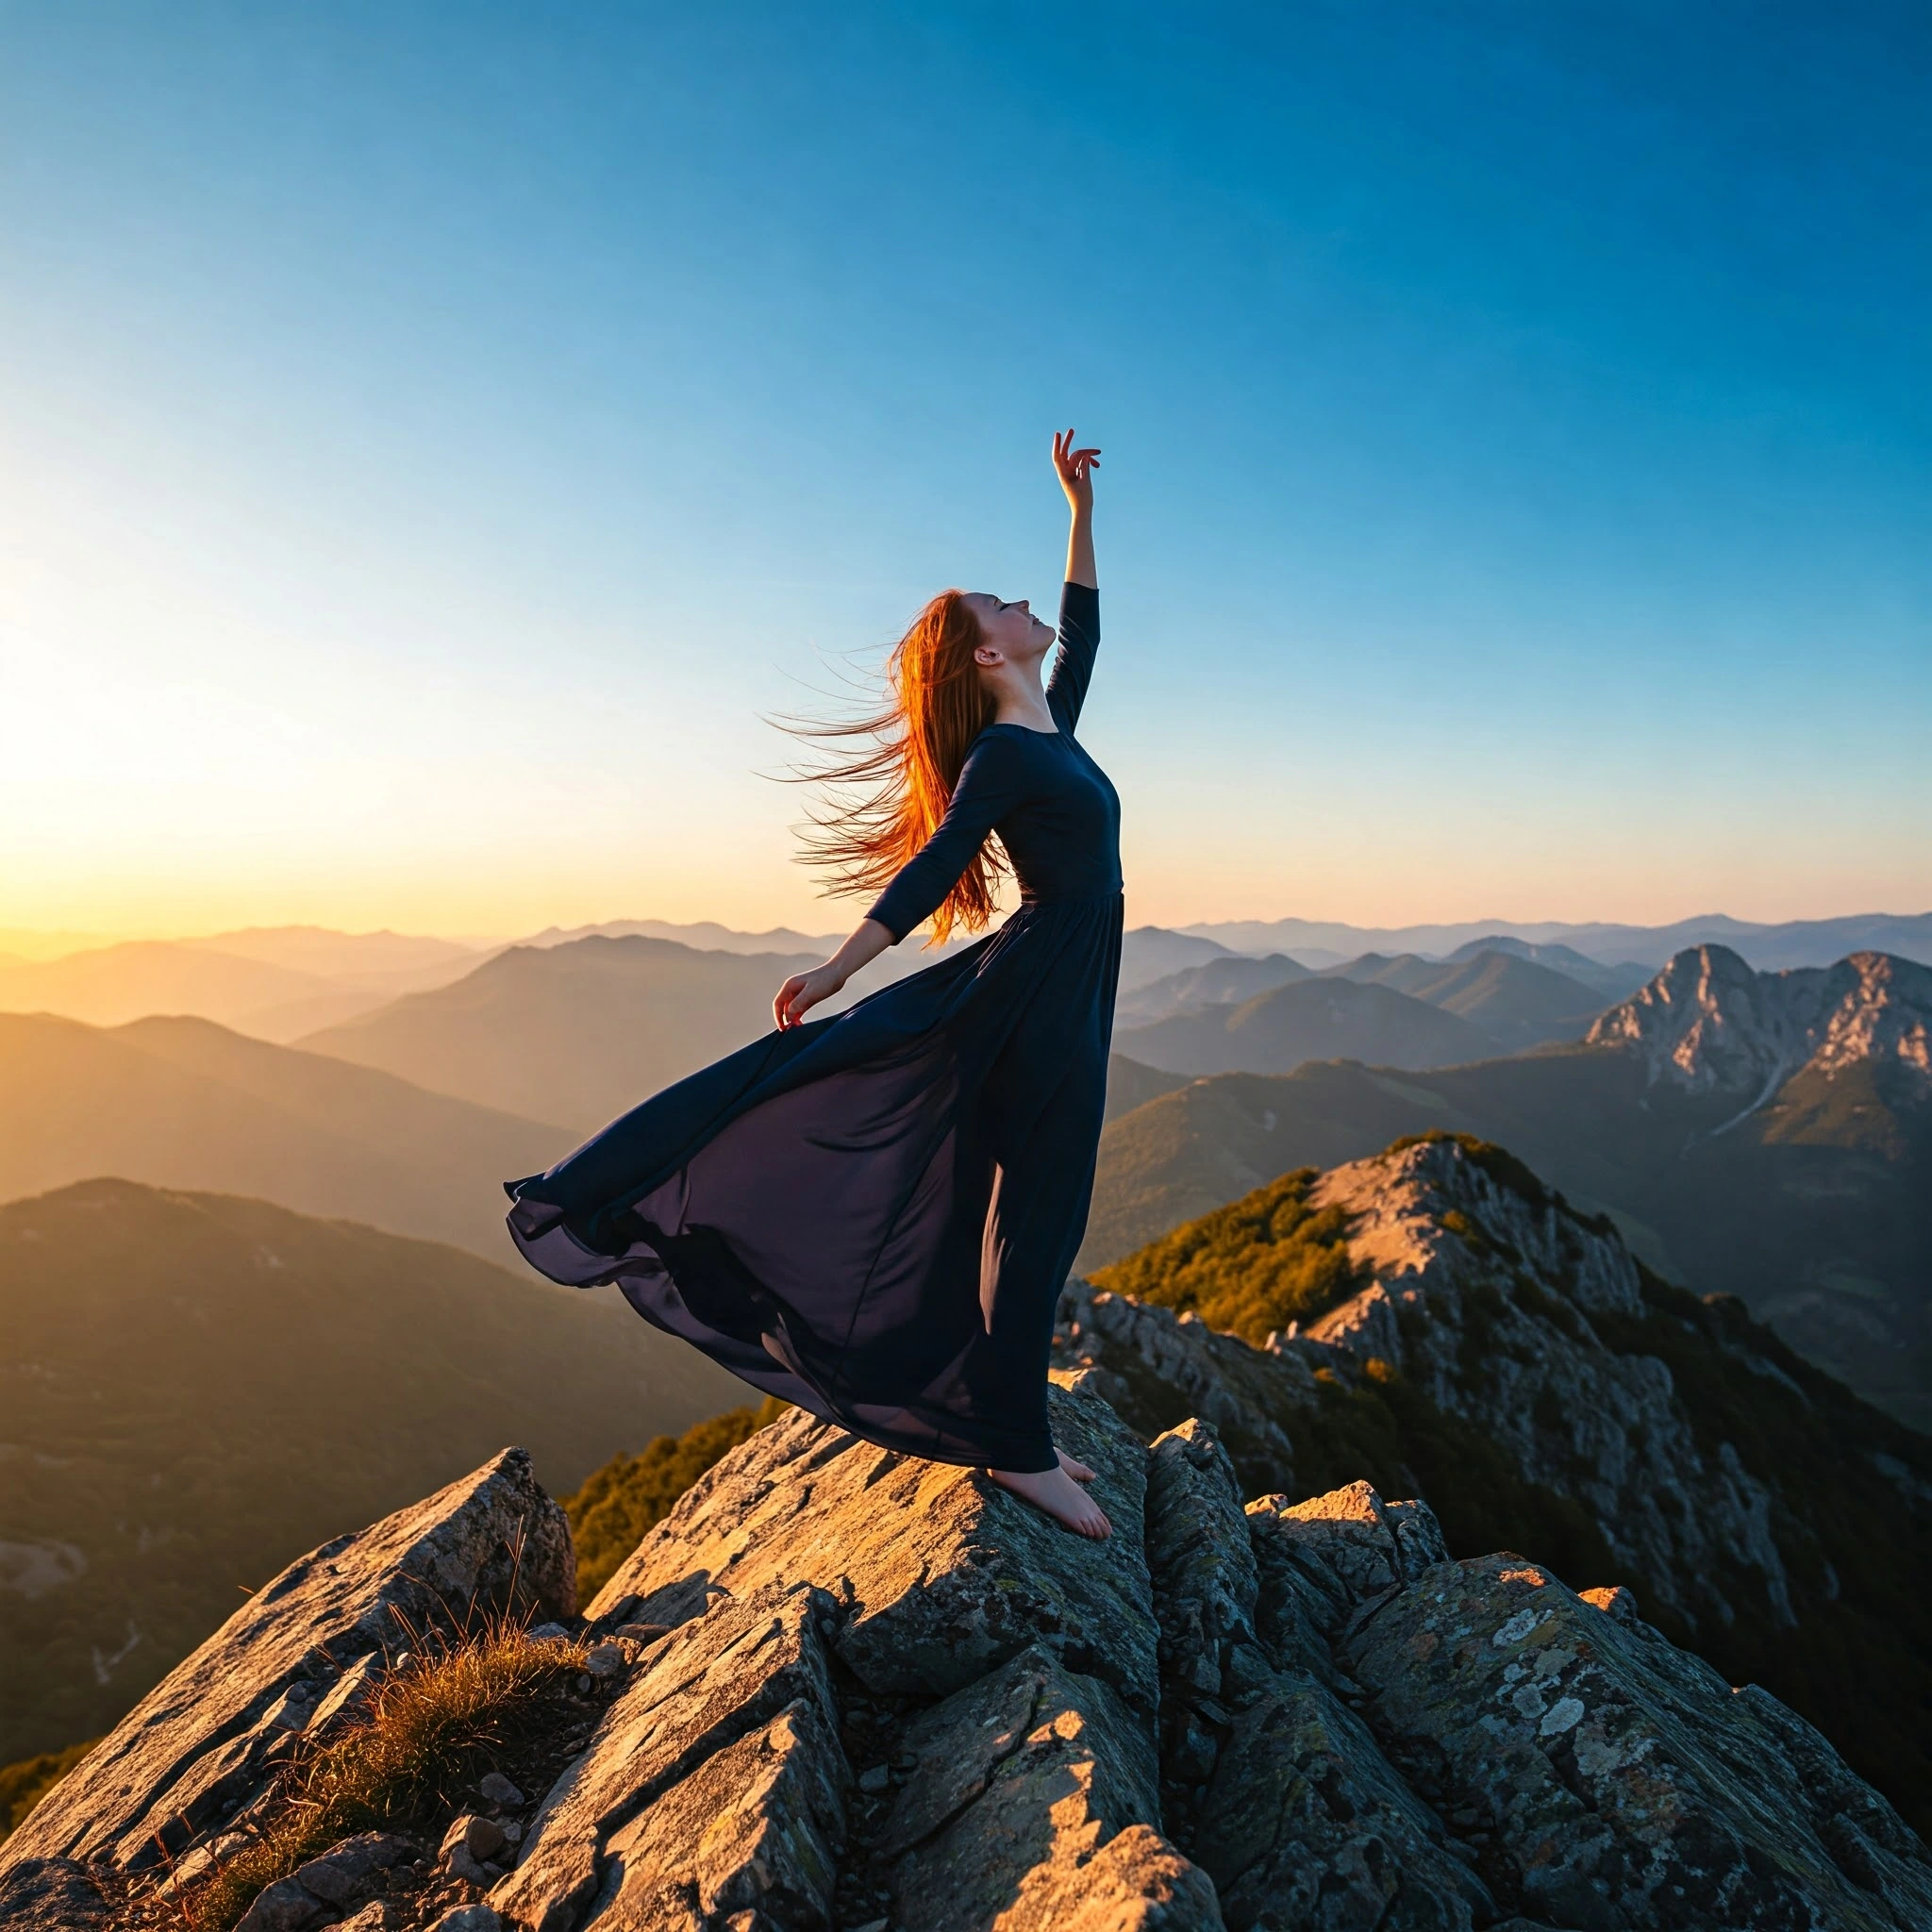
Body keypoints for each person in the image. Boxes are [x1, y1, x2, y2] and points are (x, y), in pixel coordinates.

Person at [504, 427, 1121, 1538]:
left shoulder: (1048, 728)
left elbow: (1084, 631)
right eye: (999, 604)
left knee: (1030, 1207)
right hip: (1036, 991)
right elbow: (934, 865)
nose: (1021, 604)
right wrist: (839, 967)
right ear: (986, 657)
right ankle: (1016, 1448)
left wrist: (1075, 508)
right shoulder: (1007, 758)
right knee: (1036, 1211)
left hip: (1062, 979)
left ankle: (1003, 1419)